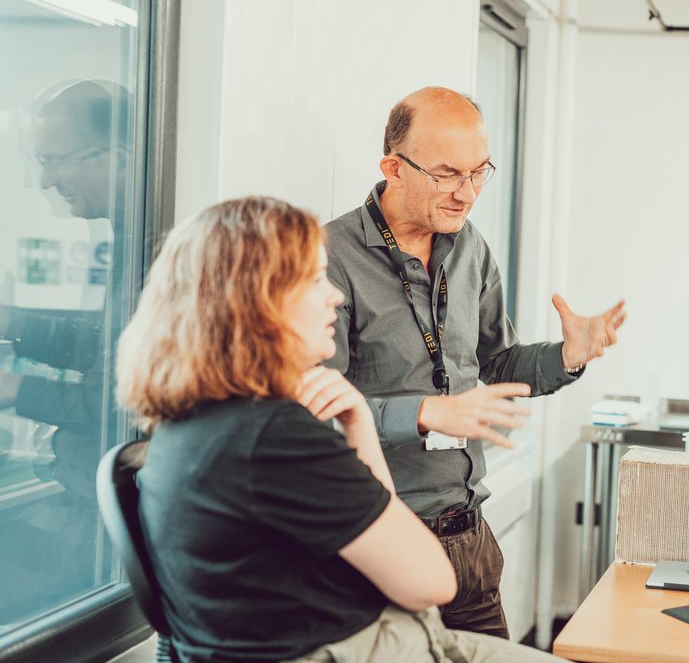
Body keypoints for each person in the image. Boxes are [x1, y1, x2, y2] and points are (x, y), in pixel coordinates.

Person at [116, 196, 565, 663]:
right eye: (314, 280)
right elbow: (431, 582)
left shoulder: (195, 424)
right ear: (259, 302)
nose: (333, 295)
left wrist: (359, 423)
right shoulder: (276, 438)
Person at [323, 86, 627, 638]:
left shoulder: (469, 247)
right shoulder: (330, 257)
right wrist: (423, 413)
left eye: (478, 172)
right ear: (394, 168)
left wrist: (567, 356)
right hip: (378, 544)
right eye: (446, 174)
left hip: (468, 540)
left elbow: (499, 363)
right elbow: (318, 412)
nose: (466, 194)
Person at [0, 80, 130, 619]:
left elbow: (118, 406)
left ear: (116, 159)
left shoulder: (159, 249)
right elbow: (102, 349)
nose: (46, 181)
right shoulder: (129, 235)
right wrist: (12, 323)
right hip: (89, 492)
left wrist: (13, 388)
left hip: (107, 510)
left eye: (55, 160)